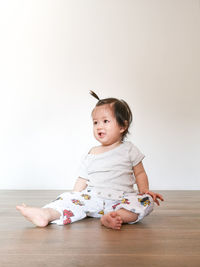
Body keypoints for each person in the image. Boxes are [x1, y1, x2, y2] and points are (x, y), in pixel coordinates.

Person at [16, 91, 164, 230]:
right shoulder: (92, 152)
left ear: (123, 126)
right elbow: (83, 178)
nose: (99, 126)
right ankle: (46, 214)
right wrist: (74, 196)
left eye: (105, 121)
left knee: (146, 201)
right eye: (95, 123)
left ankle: (116, 217)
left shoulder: (129, 149)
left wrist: (144, 190)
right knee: (66, 198)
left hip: (121, 199)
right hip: (93, 198)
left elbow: (140, 173)